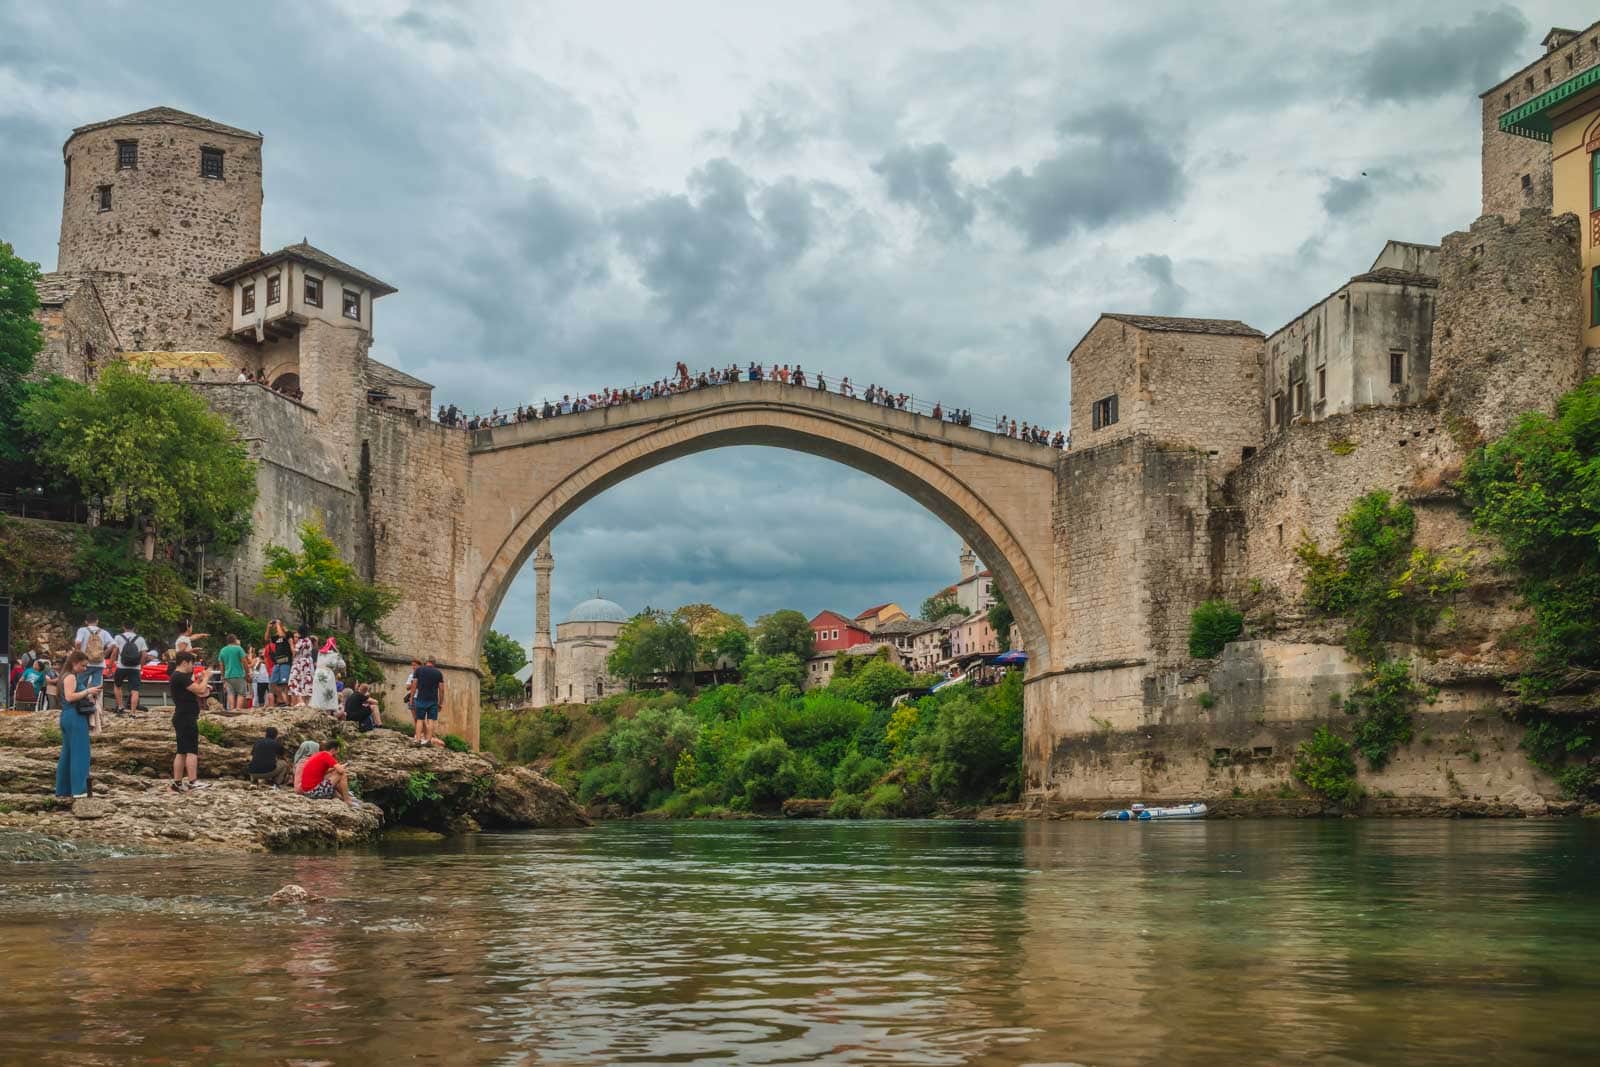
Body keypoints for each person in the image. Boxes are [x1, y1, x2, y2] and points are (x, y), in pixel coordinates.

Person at [55, 650, 99, 800]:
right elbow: (70, 696)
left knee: (67, 754)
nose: (85, 669)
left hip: (67, 716)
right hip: (75, 716)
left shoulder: (64, 676)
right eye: (83, 665)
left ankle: (63, 789)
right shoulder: (71, 677)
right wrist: (88, 691)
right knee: (80, 753)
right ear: (74, 663)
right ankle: (79, 790)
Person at [168, 650, 211, 792]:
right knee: (191, 750)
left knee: (181, 751)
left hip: (182, 716)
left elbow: (194, 689)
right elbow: (200, 690)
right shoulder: (180, 676)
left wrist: (199, 680)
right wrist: (206, 678)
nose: (193, 666)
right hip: (186, 717)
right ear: (185, 662)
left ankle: (177, 782)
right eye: (192, 663)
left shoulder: (177, 676)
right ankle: (193, 781)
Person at [73, 612, 113, 730]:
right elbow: (113, 645)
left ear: (86, 621)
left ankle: (83, 709)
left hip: (85, 663)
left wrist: (78, 655)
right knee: (96, 689)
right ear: (97, 621)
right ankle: (96, 713)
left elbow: (78, 642)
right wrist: (104, 654)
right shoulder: (104, 632)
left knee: (80, 686)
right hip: (99, 664)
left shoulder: (82, 630)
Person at [111, 623, 147, 715]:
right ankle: (133, 712)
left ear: (123, 627)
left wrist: (110, 665)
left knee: (117, 685)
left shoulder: (118, 637)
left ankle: (120, 706)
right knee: (135, 690)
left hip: (121, 666)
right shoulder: (140, 639)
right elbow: (144, 655)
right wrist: (141, 667)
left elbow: (115, 652)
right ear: (134, 628)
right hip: (135, 668)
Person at [410, 655, 445, 747]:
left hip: (421, 698)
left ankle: (417, 740)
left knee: (419, 720)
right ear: (434, 663)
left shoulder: (419, 670)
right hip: (433, 700)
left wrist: (411, 698)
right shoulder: (438, 673)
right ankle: (428, 740)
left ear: (426, 662)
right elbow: (441, 689)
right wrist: (440, 703)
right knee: (431, 720)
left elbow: (414, 685)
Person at [310, 637, 344, 715]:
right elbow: (342, 665)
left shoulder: (320, 652)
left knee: (318, 692)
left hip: (318, 674)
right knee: (328, 694)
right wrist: (339, 655)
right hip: (327, 675)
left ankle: (317, 712)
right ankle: (327, 713)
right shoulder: (335, 654)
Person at [216, 633, 248, 711]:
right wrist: (247, 673)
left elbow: (221, 664)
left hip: (228, 675)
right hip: (238, 674)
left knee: (230, 693)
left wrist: (223, 675)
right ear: (235, 640)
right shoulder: (238, 648)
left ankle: (231, 709)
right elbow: (244, 661)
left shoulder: (223, 650)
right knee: (241, 693)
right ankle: (238, 710)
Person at [265, 619, 292, 707]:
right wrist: (268, 628)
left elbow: (282, 635)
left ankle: (287, 703)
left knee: (283, 684)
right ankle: (281, 701)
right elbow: (266, 638)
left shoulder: (288, 634)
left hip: (285, 661)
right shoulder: (276, 637)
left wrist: (278, 625)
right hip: (277, 662)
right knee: (272, 683)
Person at [288, 624, 316, 705]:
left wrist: (290, 643)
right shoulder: (309, 641)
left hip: (299, 662)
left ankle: (300, 700)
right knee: (305, 681)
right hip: (307, 663)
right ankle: (306, 702)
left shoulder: (301, 641)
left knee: (293, 681)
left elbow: (294, 652)